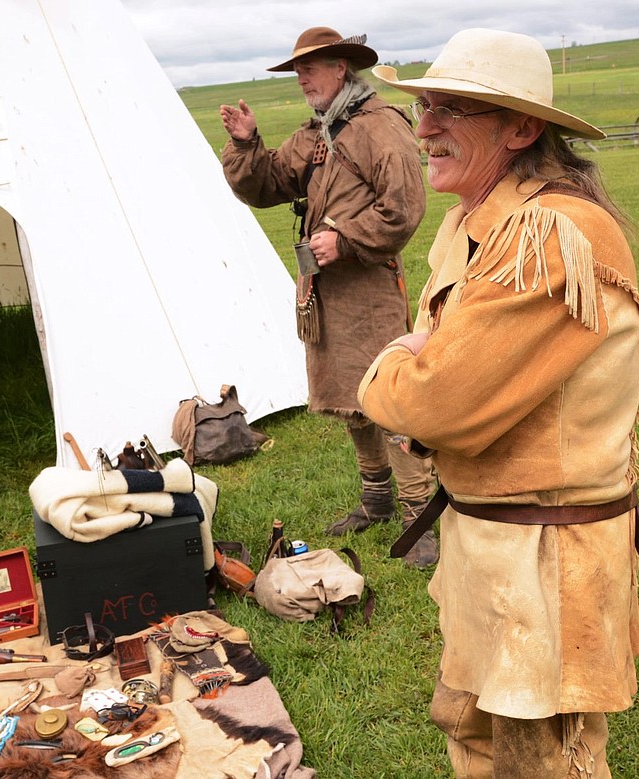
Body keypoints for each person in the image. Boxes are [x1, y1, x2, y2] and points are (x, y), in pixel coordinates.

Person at [358, 29, 639, 776]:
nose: (422, 128)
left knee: (544, 760)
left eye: (450, 109)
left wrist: (392, 362)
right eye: (423, 106)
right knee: (477, 739)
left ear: (521, 129)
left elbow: (428, 400)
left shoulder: (549, 236)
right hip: (491, 546)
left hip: (544, 563)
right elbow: (439, 355)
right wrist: (423, 358)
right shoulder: (476, 223)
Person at [220, 27, 438, 567]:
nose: (302, 79)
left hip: (367, 287)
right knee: (353, 399)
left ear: (341, 68)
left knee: (389, 400)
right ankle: (377, 500)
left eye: (310, 68)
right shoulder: (320, 131)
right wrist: (248, 143)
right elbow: (268, 184)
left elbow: (405, 207)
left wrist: (345, 239)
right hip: (327, 291)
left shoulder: (380, 126)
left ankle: (420, 517)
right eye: (297, 70)